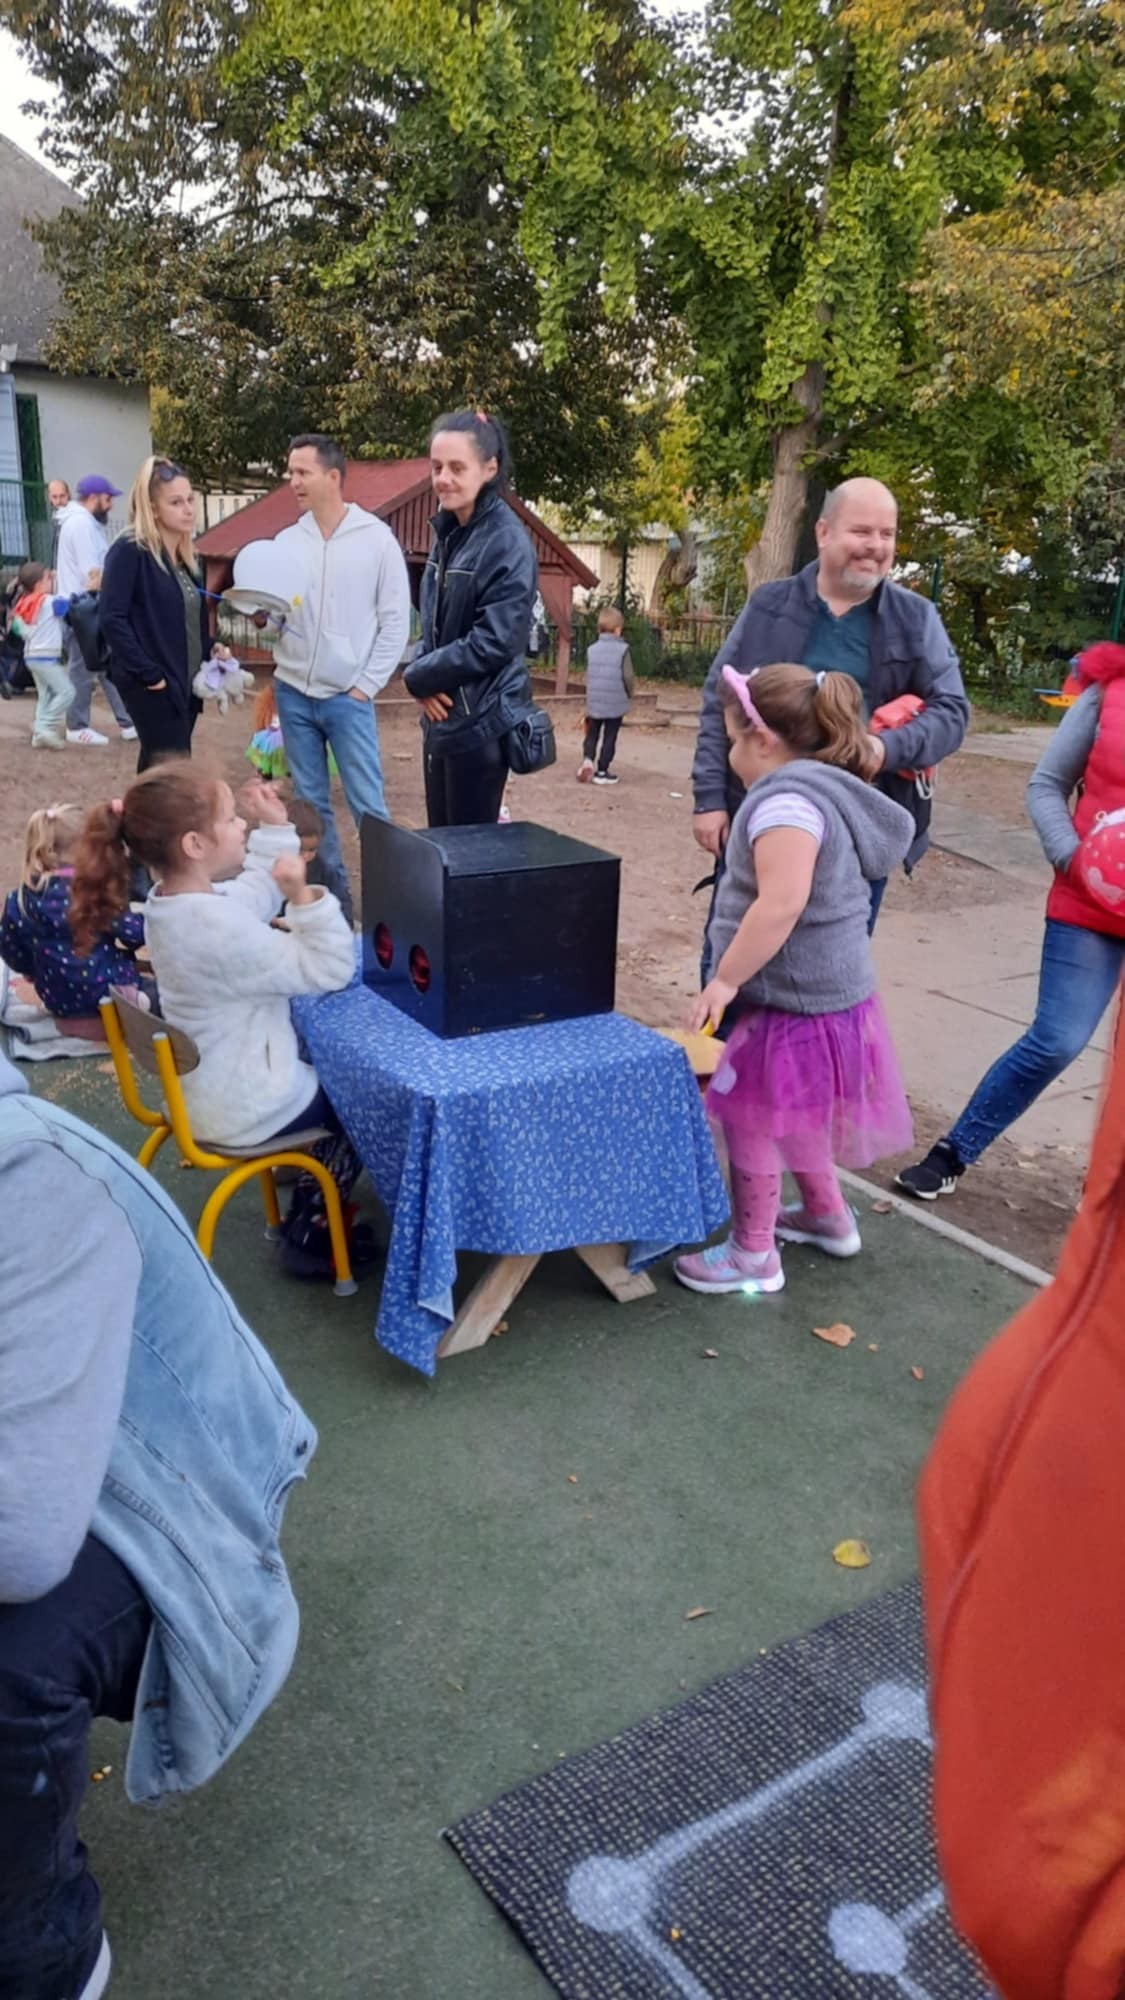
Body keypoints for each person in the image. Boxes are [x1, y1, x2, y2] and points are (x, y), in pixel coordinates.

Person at [0, 1044, 316, 2000]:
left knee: (10, 1659)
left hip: (183, 1514)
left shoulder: (30, 1177)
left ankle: (47, 1956)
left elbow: (24, 1542)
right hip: (233, 1100)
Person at [674, 662, 914, 1298]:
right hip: (830, 999)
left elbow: (781, 903)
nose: (729, 754)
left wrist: (724, 981)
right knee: (797, 1112)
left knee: (750, 1117)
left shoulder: (784, 805)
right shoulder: (822, 789)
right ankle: (828, 1215)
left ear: (763, 740)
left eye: (733, 739)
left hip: (794, 1005)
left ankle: (754, 1253)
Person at [69, 765, 365, 1277]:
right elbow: (331, 969)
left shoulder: (172, 903)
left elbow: (249, 895)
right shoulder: (218, 930)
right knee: (358, 1101)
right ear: (194, 845)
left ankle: (303, 1182)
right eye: (230, 819)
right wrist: (304, 897)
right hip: (247, 1105)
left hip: (209, 1092)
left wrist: (276, 827)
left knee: (326, 1076)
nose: (241, 825)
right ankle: (313, 1229)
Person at [692, 479, 969, 956]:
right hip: (759, 813)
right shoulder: (769, 605)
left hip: (854, 829)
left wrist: (885, 748)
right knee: (732, 950)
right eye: (862, 531)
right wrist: (709, 798)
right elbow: (722, 698)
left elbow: (952, 712)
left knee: (829, 964)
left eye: (887, 534)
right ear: (823, 532)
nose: (876, 546)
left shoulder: (915, 618)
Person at [897, 639, 1125, 1200]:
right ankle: (954, 1151)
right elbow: (1047, 784)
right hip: (1087, 904)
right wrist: (1072, 858)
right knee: (1056, 1040)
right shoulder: (1107, 693)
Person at [271, 435, 411, 923]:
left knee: (367, 804)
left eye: (302, 473)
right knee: (311, 807)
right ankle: (335, 904)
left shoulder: (376, 540)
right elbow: (278, 616)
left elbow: (396, 622)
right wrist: (265, 618)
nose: (292, 482)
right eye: (290, 472)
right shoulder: (288, 542)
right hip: (293, 691)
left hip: (348, 697)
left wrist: (364, 687)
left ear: (333, 476)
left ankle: (391, 909)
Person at [404, 409, 538, 829]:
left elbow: (496, 640)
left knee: (469, 854)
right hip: (442, 720)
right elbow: (435, 623)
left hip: (480, 725)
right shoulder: (449, 533)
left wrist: (420, 675)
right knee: (442, 847)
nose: (443, 478)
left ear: (489, 468)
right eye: (437, 467)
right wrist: (426, 677)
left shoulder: (506, 541)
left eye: (457, 468)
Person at [98, 456, 228, 773]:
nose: (188, 509)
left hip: (184, 681)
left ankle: (138, 808)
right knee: (173, 769)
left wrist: (211, 647)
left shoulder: (187, 559)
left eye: (190, 500)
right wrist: (150, 675)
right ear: (153, 508)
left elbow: (186, 621)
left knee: (160, 770)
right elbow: (112, 617)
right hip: (153, 682)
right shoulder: (130, 549)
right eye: (176, 502)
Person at [0, 803, 146, 1020]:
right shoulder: (92, 892)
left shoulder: (19, 899)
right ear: (87, 848)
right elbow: (135, 934)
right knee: (159, 997)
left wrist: (32, 970)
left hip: (56, 998)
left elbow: (11, 949)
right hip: (106, 992)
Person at [54, 474, 136, 747]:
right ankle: (77, 725)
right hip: (83, 608)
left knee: (105, 662)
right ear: (93, 497)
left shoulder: (84, 523)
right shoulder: (81, 525)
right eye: (107, 498)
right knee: (83, 667)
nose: (110, 504)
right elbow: (93, 573)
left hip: (86, 605)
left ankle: (127, 721)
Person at [8, 563, 72, 750]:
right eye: (48, 578)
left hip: (32, 655)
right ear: (38, 584)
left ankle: (39, 735)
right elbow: (67, 605)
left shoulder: (24, 601)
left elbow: (19, 628)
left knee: (46, 695)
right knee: (67, 692)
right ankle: (44, 727)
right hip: (45, 656)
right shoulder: (48, 601)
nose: (52, 580)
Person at [579, 605, 635, 786]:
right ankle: (602, 771)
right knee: (610, 736)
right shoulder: (623, 650)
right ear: (618, 629)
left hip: (595, 700)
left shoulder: (591, 649)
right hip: (615, 702)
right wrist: (630, 693)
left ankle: (588, 759)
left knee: (592, 733)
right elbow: (628, 676)